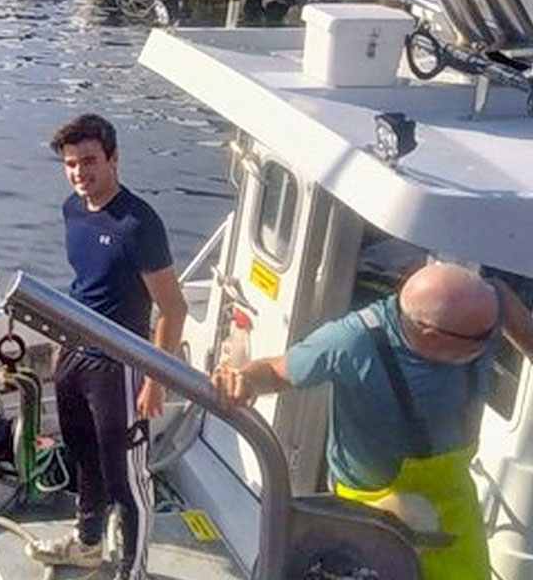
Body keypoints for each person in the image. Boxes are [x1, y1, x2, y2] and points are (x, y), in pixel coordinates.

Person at [211, 262, 533, 580]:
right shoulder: (350, 342)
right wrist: (243, 380)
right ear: (431, 336)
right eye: (483, 338)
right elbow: (274, 371)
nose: (492, 341)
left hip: (453, 502)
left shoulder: (490, 304)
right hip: (372, 515)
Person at [27, 114, 187, 580]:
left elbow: (173, 309)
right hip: (76, 356)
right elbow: (88, 286)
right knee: (83, 457)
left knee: (126, 478)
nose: (80, 173)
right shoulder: (72, 210)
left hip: (122, 364)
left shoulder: (138, 224)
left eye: (90, 162)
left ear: (114, 159)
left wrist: (155, 379)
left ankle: (132, 571)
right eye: (71, 164)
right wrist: (65, 347)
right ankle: (88, 544)